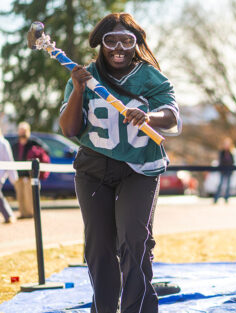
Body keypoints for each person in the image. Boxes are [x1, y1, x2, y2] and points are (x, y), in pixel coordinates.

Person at [59, 13, 182, 313]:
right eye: (110, 40)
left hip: (139, 168)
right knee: (98, 246)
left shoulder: (151, 77)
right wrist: (78, 90)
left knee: (133, 240)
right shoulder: (84, 76)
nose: (119, 47)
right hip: (93, 166)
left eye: (127, 41)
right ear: (100, 43)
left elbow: (174, 118)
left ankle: (137, 309)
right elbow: (69, 129)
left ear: (136, 43)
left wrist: (149, 116)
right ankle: (103, 308)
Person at [11, 121, 50, 219]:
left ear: (28, 132)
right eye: (20, 132)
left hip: (30, 176)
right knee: (20, 196)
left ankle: (31, 214)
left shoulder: (34, 142)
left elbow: (46, 150)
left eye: (24, 132)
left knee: (30, 196)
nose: (22, 134)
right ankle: (23, 214)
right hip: (19, 175)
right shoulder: (15, 145)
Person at [0, 128, 18, 223]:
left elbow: (9, 160)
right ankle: (8, 215)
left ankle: (8, 215)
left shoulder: (3, 143)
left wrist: (14, 178)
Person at [214, 137, 234, 203]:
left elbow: (232, 161)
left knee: (228, 186)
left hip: (229, 170)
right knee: (220, 185)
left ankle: (226, 198)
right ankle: (216, 198)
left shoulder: (231, 152)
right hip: (222, 170)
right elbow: (220, 161)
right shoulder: (222, 152)